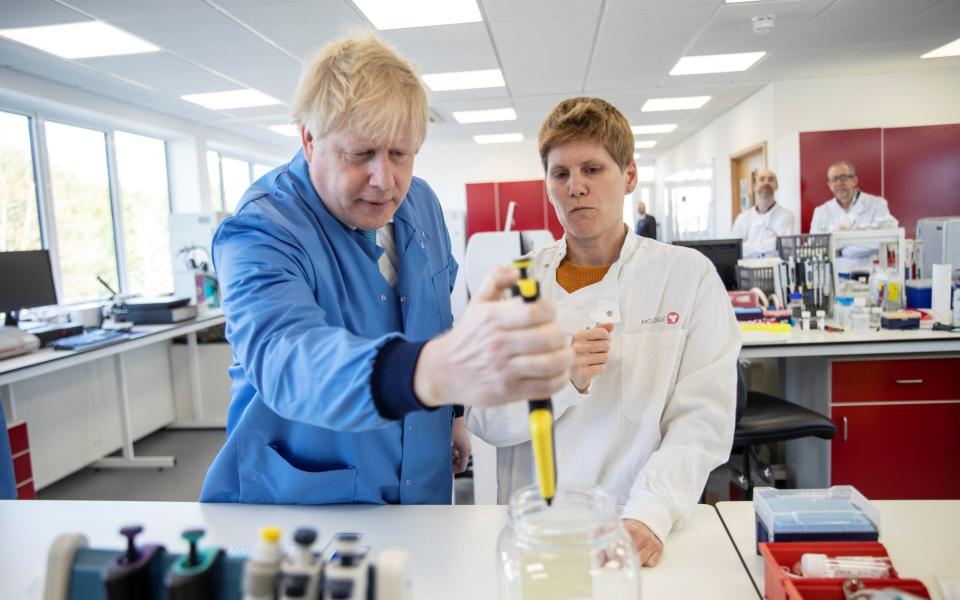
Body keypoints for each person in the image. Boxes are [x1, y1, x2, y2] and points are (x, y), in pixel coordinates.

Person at [200, 34, 573, 505]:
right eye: (360, 154)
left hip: (422, 487)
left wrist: (453, 414)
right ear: (309, 140)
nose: (385, 180)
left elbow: (436, 321)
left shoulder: (422, 205)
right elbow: (287, 357)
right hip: (305, 507)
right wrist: (435, 373)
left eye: (401, 154)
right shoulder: (262, 230)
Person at [466, 97, 740, 567]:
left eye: (593, 169)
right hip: (538, 527)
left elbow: (702, 419)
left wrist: (650, 514)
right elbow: (483, 418)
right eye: (561, 174)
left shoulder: (685, 276)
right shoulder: (515, 285)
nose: (576, 188)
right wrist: (560, 379)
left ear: (629, 176)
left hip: (638, 522)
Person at [810, 161, 898, 233]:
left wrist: (842, 250)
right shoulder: (821, 211)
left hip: (870, 255)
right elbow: (815, 247)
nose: (839, 183)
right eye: (834, 179)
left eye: (843, 177)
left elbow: (881, 241)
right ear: (829, 185)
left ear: (854, 181)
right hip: (833, 255)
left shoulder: (877, 204)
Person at [731, 169, 795, 258]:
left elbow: (780, 244)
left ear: (776, 186)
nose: (766, 182)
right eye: (762, 179)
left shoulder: (785, 215)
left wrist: (747, 246)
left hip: (774, 269)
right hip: (746, 270)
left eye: (770, 179)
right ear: (754, 186)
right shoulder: (742, 218)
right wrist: (770, 244)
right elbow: (735, 248)